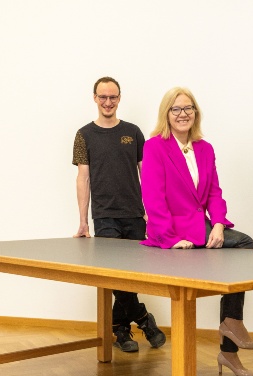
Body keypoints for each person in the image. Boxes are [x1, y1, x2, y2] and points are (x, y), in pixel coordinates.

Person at [140, 86, 253, 376]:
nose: (183, 114)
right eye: (176, 109)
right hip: (171, 231)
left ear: (196, 113)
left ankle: (230, 330)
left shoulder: (205, 149)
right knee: (221, 262)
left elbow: (215, 193)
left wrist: (218, 224)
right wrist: (171, 239)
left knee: (242, 243)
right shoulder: (155, 146)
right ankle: (230, 333)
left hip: (202, 227)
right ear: (166, 114)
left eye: (188, 108)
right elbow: (152, 198)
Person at [72, 76, 166, 353]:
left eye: (113, 97)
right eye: (103, 97)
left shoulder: (133, 132)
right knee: (115, 276)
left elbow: (146, 174)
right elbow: (82, 178)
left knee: (130, 277)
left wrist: (152, 213)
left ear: (119, 98)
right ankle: (144, 320)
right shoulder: (84, 135)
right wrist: (82, 221)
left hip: (135, 216)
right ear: (94, 98)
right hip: (104, 217)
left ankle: (121, 330)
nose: (108, 102)